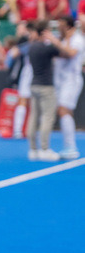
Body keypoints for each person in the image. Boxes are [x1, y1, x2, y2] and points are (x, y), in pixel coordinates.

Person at [26, 21, 70, 162]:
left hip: (34, 85)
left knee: (33, 117)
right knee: (47, 118)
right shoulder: (46, 48)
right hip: (46, 87)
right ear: (44, 32)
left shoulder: (32, 47)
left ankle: (33, 149)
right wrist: (53, 40)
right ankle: (44, 149)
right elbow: (66, 53)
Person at [53, 16, 84, 159]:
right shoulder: (64, 39)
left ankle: (71, 147)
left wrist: (55, 42)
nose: (59, 27)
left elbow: (71, 53)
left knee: (63, 109)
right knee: (65, 111)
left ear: (68, 26)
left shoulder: (77, 39)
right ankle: (69, 146)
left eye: (61, 24)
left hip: (72, 80)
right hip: (62, 80)